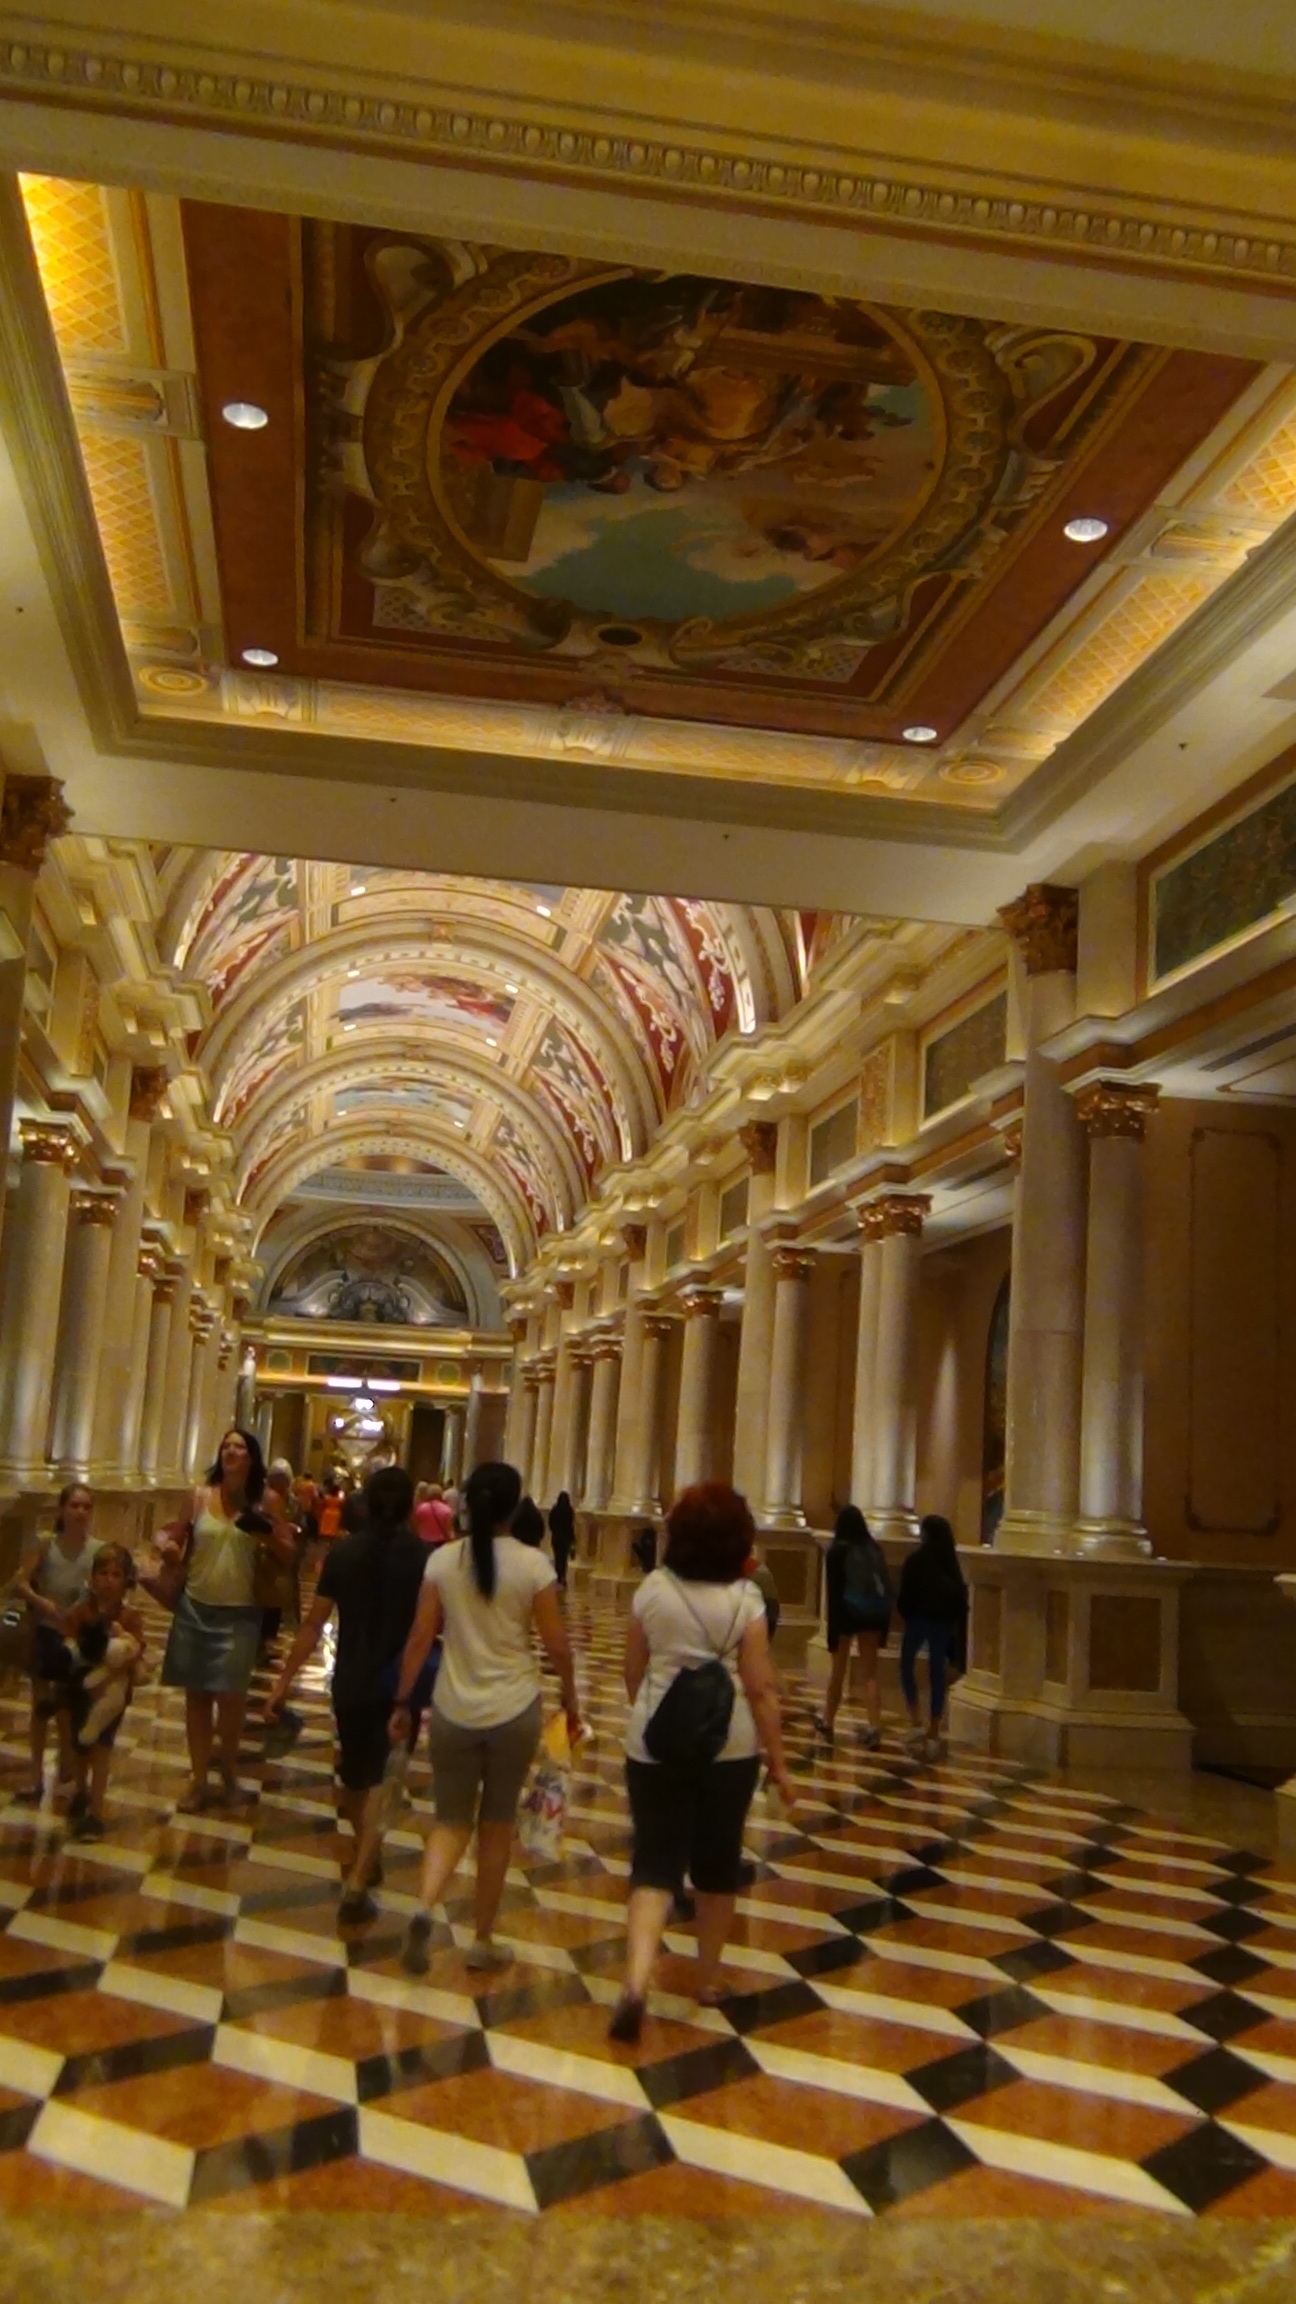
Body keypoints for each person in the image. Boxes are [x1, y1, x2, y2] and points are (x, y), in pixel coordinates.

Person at [609, 1482, 796, 2043]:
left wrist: (653, 1712)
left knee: (654, 1862)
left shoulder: (653, 1590)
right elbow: (761, 1690)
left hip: (653, 1742)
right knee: (717, 1866)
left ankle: (636, 1981)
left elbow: (633, 1671)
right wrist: (780, 1763)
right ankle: (708, 1980)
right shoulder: (747, 1601)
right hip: (728, 1746)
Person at [390, 1460, 581, 1976]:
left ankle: (424, 1906)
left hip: (453, 1708)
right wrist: (571, 1698)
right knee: (496, 1827)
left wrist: (403, 1701)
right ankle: (482, 1939)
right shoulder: (534, 1566)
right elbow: (557, 1645)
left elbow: (420, 1636)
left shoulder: (443, 1561)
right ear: (515, 1508)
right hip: (514, 1709)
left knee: (450, 1821)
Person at [264, 1465, 429, 1922]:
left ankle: (362, 1860)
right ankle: (363, 1862)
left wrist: (283, 1681)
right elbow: (432, 1626)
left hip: (352, 1678)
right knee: (383, 1776)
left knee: (355, 1776)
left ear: (365, 1504)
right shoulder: (424, 1559)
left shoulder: (344, 1554)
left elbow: (313, 1623)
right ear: (410, 1507)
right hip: (402, 1680)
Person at [159, 1428, 295, 1813]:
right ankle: (200, 1779)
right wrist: (169, 1548)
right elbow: (177, 1537)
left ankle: (230, 1775)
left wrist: (265, 1534)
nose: (230, 1451)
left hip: (241, 1612)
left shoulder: (266, 1500)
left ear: (251, 1457)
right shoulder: (199, 1496)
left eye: (239, 1446)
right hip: (195, 1607)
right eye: (225, 1446)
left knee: (231, 1699)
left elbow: (288, 1551)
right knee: (197, 1699)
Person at [12, 1483, 101, 1804]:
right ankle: (35, 1776)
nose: (80, 1512)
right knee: (40, 1707)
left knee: (68, 1705)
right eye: (74, 1505)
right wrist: (45, 1604)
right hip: (46, 1631)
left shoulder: (97, 1550)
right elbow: (20, 1582)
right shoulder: (46, 1544)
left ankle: (67, 1764)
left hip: (76, 1636)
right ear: (63, 1509)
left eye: (86, 1506)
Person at [53, 1544, 146, 1842]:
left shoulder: (129, 1617)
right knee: (80, 1746)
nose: (109, 1580)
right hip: (80, 1692)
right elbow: (68, 1642)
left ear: (126, 1581)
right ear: (92, 1578)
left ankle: (95, 1811)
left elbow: (133, 1652)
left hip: (111, 1697)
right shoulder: (81, 1612)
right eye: (103, 1573)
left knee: (101, 1750)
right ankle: (80, 1792)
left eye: (116, 1575)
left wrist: (116, 1666)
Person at [815, 1506, 893, 1748]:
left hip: (845, 1616)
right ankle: (875, 1726)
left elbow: (833, 1596)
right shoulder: (874, 1548)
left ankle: (828, 1720)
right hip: (873, 1615)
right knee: (870, 1673)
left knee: (838, 1672)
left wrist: (833, 1635)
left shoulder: (836, 1551)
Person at [897, 1513, 968, 1762]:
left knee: (906, 1665)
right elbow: (960, 1598)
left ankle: (915, 1718)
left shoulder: (916, 1559)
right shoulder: (950, 1562)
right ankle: (934, 1729)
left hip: (918, 1618)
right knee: (937, 1675)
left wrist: (907, 1612)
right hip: (942, 1622)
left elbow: (905, 1593)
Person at [548, 1490, 576, 1589]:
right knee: (563, 1558)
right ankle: (562, 1576)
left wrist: (554, 1531)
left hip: (556, 1537)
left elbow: (550, 1523)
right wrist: (573, 1539)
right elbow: (571, 1525)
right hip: (566, 1538)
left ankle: (557, 1576)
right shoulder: (569, 1510)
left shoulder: (554, 1510)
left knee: (557, 1557)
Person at [414, 1481, 454, 1546]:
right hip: (440, 1542)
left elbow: (416, 1525)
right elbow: (449, 1528)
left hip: (424, 1541)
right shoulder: (446, 1509)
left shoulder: (421, 1508)